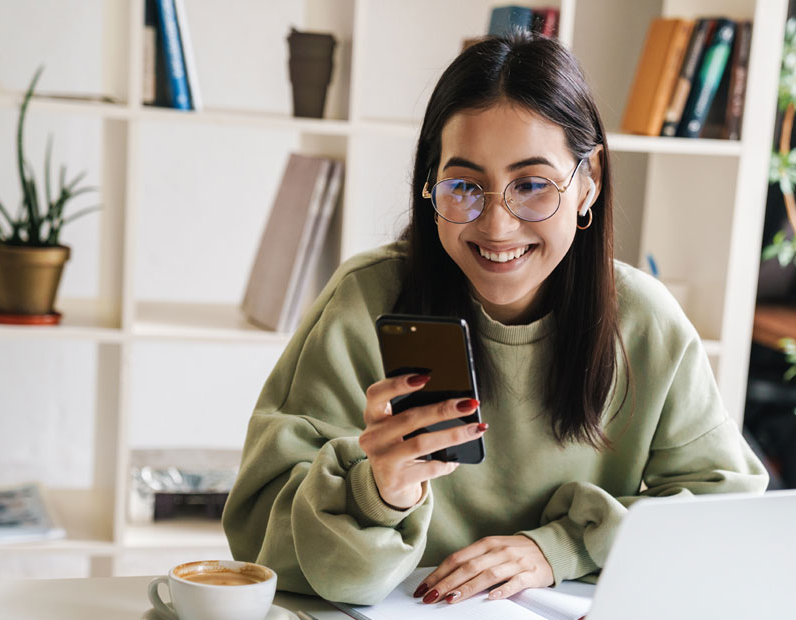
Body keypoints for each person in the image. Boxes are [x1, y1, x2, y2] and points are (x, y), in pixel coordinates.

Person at [222, 32, 768, 606]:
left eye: (531, 185)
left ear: (590, 182)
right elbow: (263, 550)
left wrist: (560, 549)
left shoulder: (646, 323)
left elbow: (725, 513)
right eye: (465, 186)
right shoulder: (364, 303)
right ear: (431, 184)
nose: (497, 225)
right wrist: (380, 493)